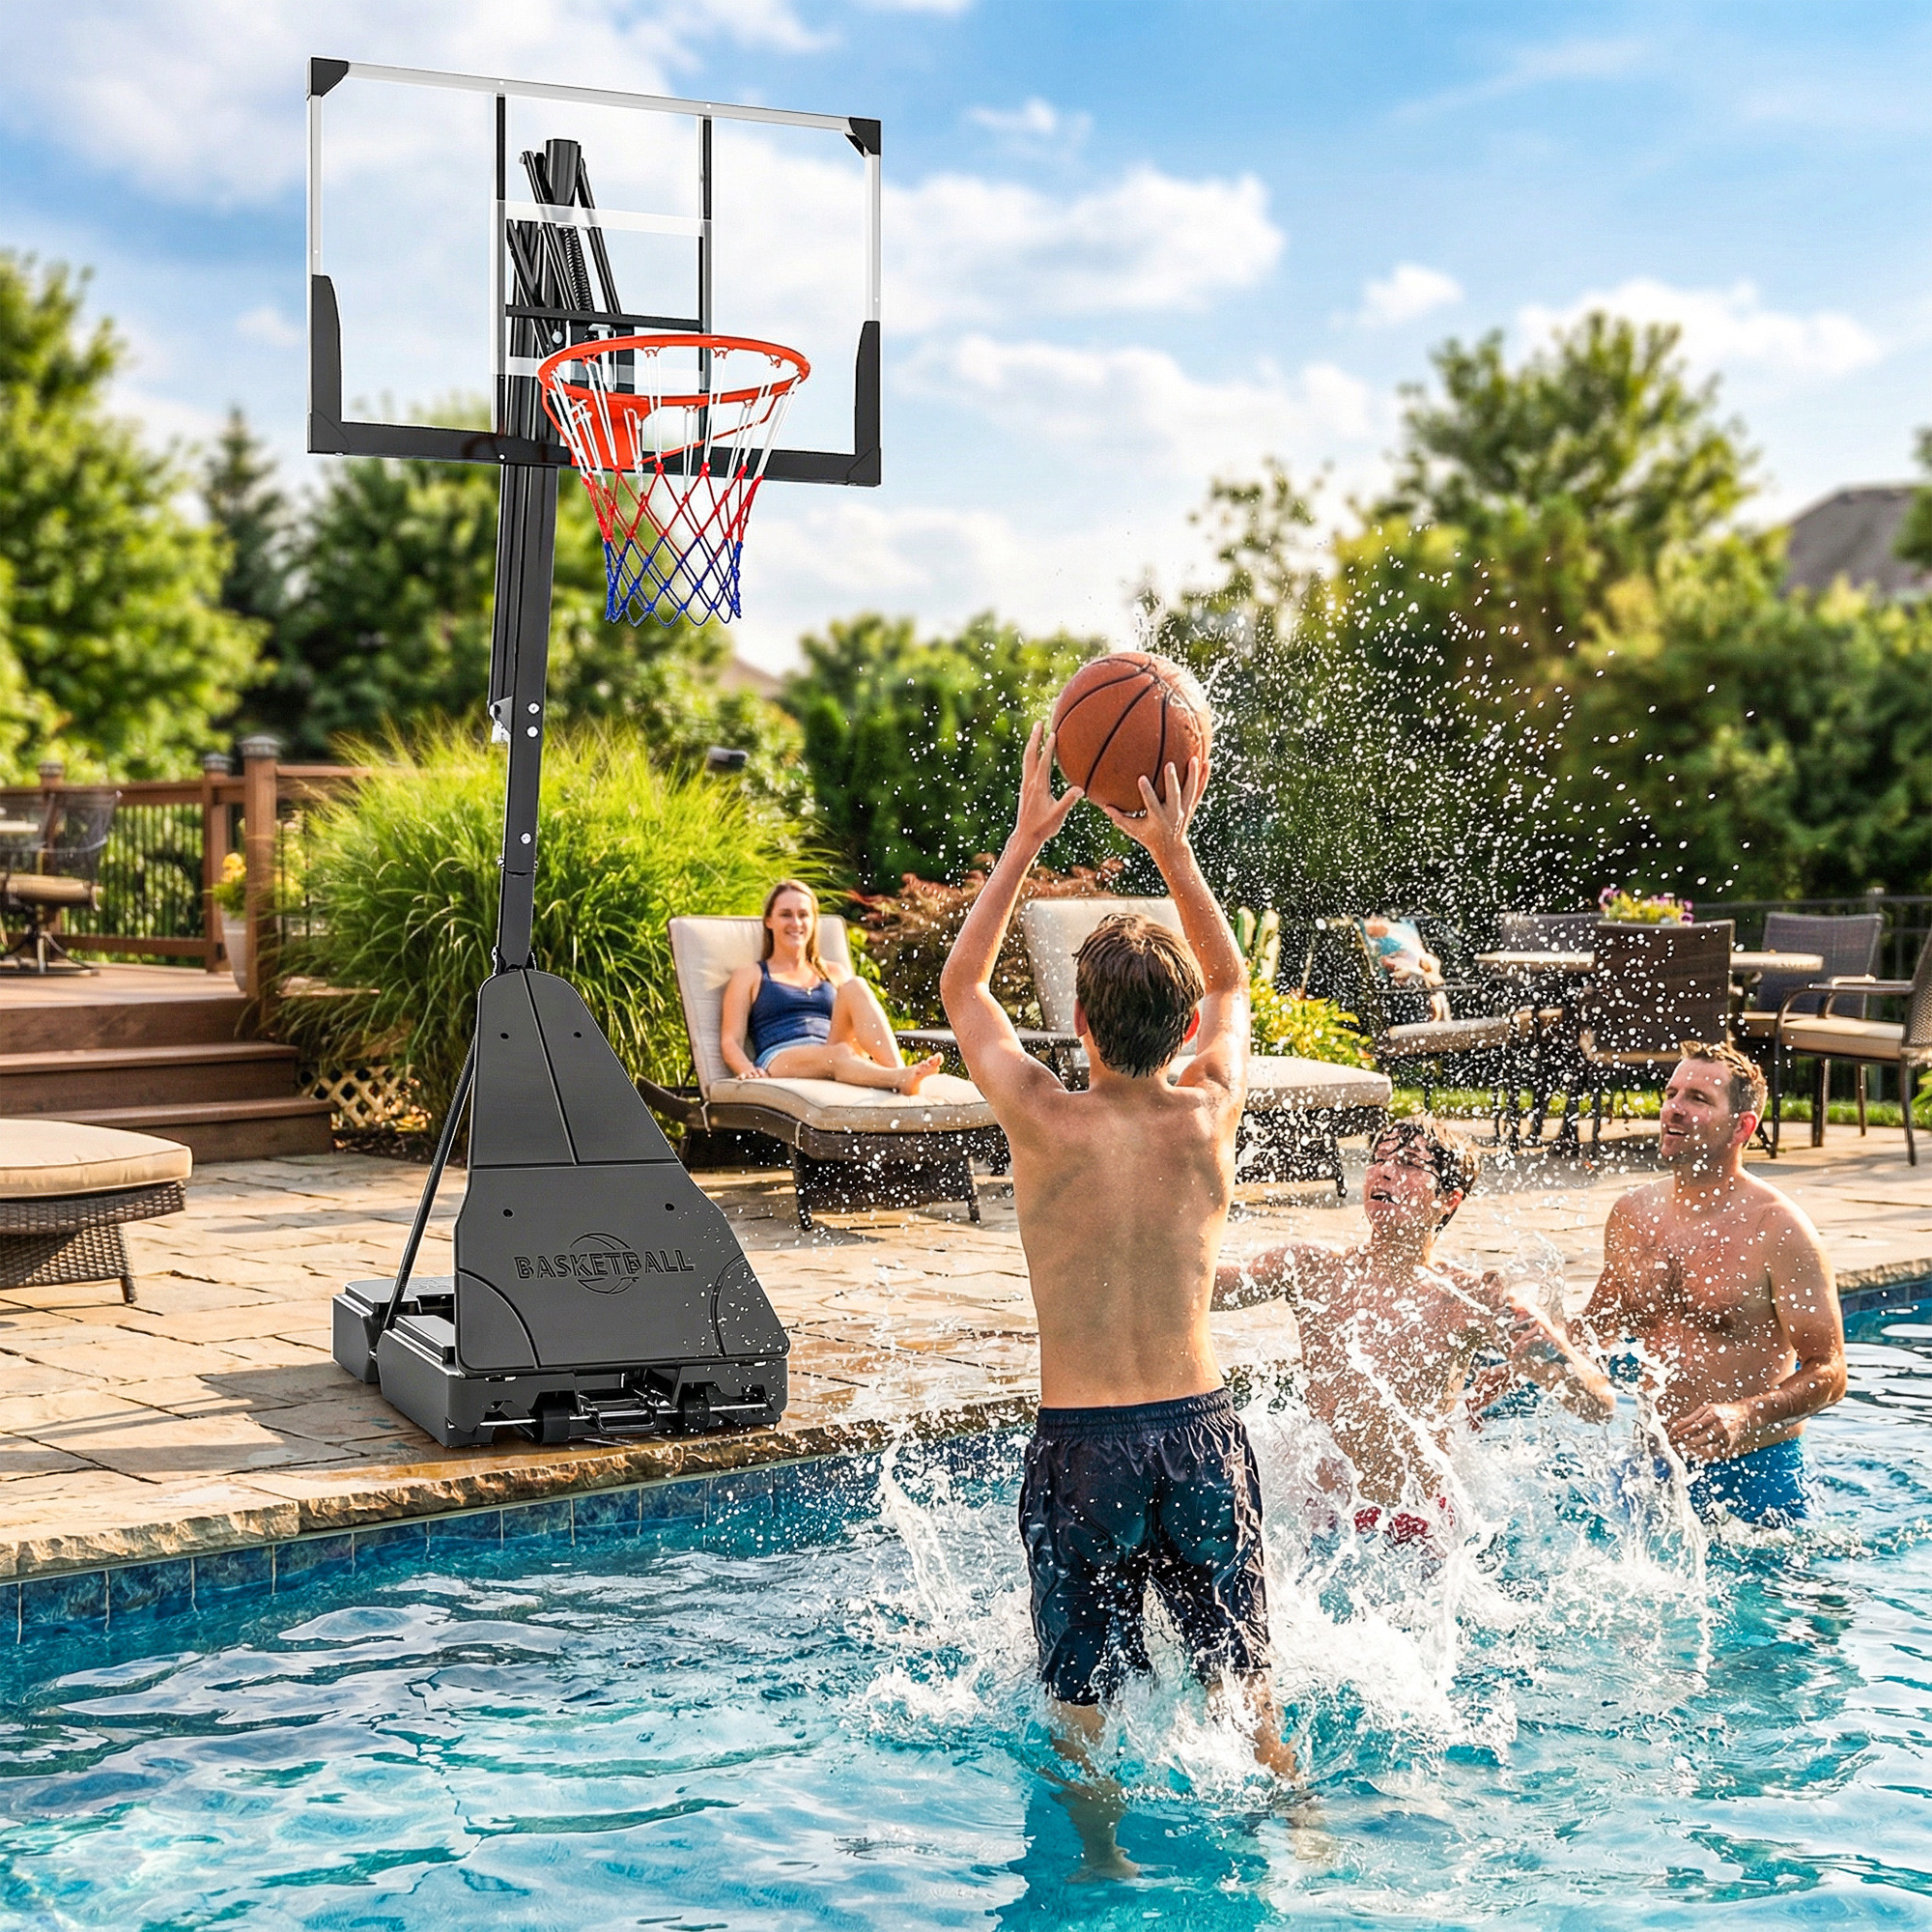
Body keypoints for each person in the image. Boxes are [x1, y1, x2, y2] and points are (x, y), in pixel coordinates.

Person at [939, 725, 1297, 1793]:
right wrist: (1173, 850)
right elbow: (1232, 982)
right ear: (1179, 1023)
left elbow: (964, 987)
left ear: (1077, 1023)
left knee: (1080, 1696)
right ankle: (1293, 1819)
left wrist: (1023, 837)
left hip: (1083, 1445)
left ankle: (1099, 1859)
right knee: (1244, 1685)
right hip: (1199, 1430)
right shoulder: (1208, 1113)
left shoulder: (1042, 1118)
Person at [1215, 1120, 1614, 1544]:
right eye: (1378, 1159)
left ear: (1448, 1198)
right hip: (1323, 1513)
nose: (1384, 1172)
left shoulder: (1468, 1300)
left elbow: (1600, 1406)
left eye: (1407, 1163)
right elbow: (1202, 1288)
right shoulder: (1312, 1270)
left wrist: (1560, 1357)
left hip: (1415, 1520)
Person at [1576, 1042, 1845, 1526]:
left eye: (1698, 1099)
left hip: (1755, 1476)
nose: (1674, 1109)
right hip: (1650, 1467)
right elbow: (1595, 1332)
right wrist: (1509, 1371)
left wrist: (1745, 1415)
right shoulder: (1634, 1215)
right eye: (1671, 1093)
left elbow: (1830, 1371)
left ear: (1742, 1126)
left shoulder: (1778, 1229)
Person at [721, 879, 945, 1094]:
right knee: (839, 1053)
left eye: (803, 915)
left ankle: (900, 1072)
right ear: (769, 920)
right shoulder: (751, 975)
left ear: (814, 920)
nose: (796, 923)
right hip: (782, 1056)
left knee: (855, 985)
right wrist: (747, 1070)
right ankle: (899, 1078)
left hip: (834, 1048)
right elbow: (730, 1040)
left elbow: (856, 1028)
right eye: (785, 915)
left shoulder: (834, 972)